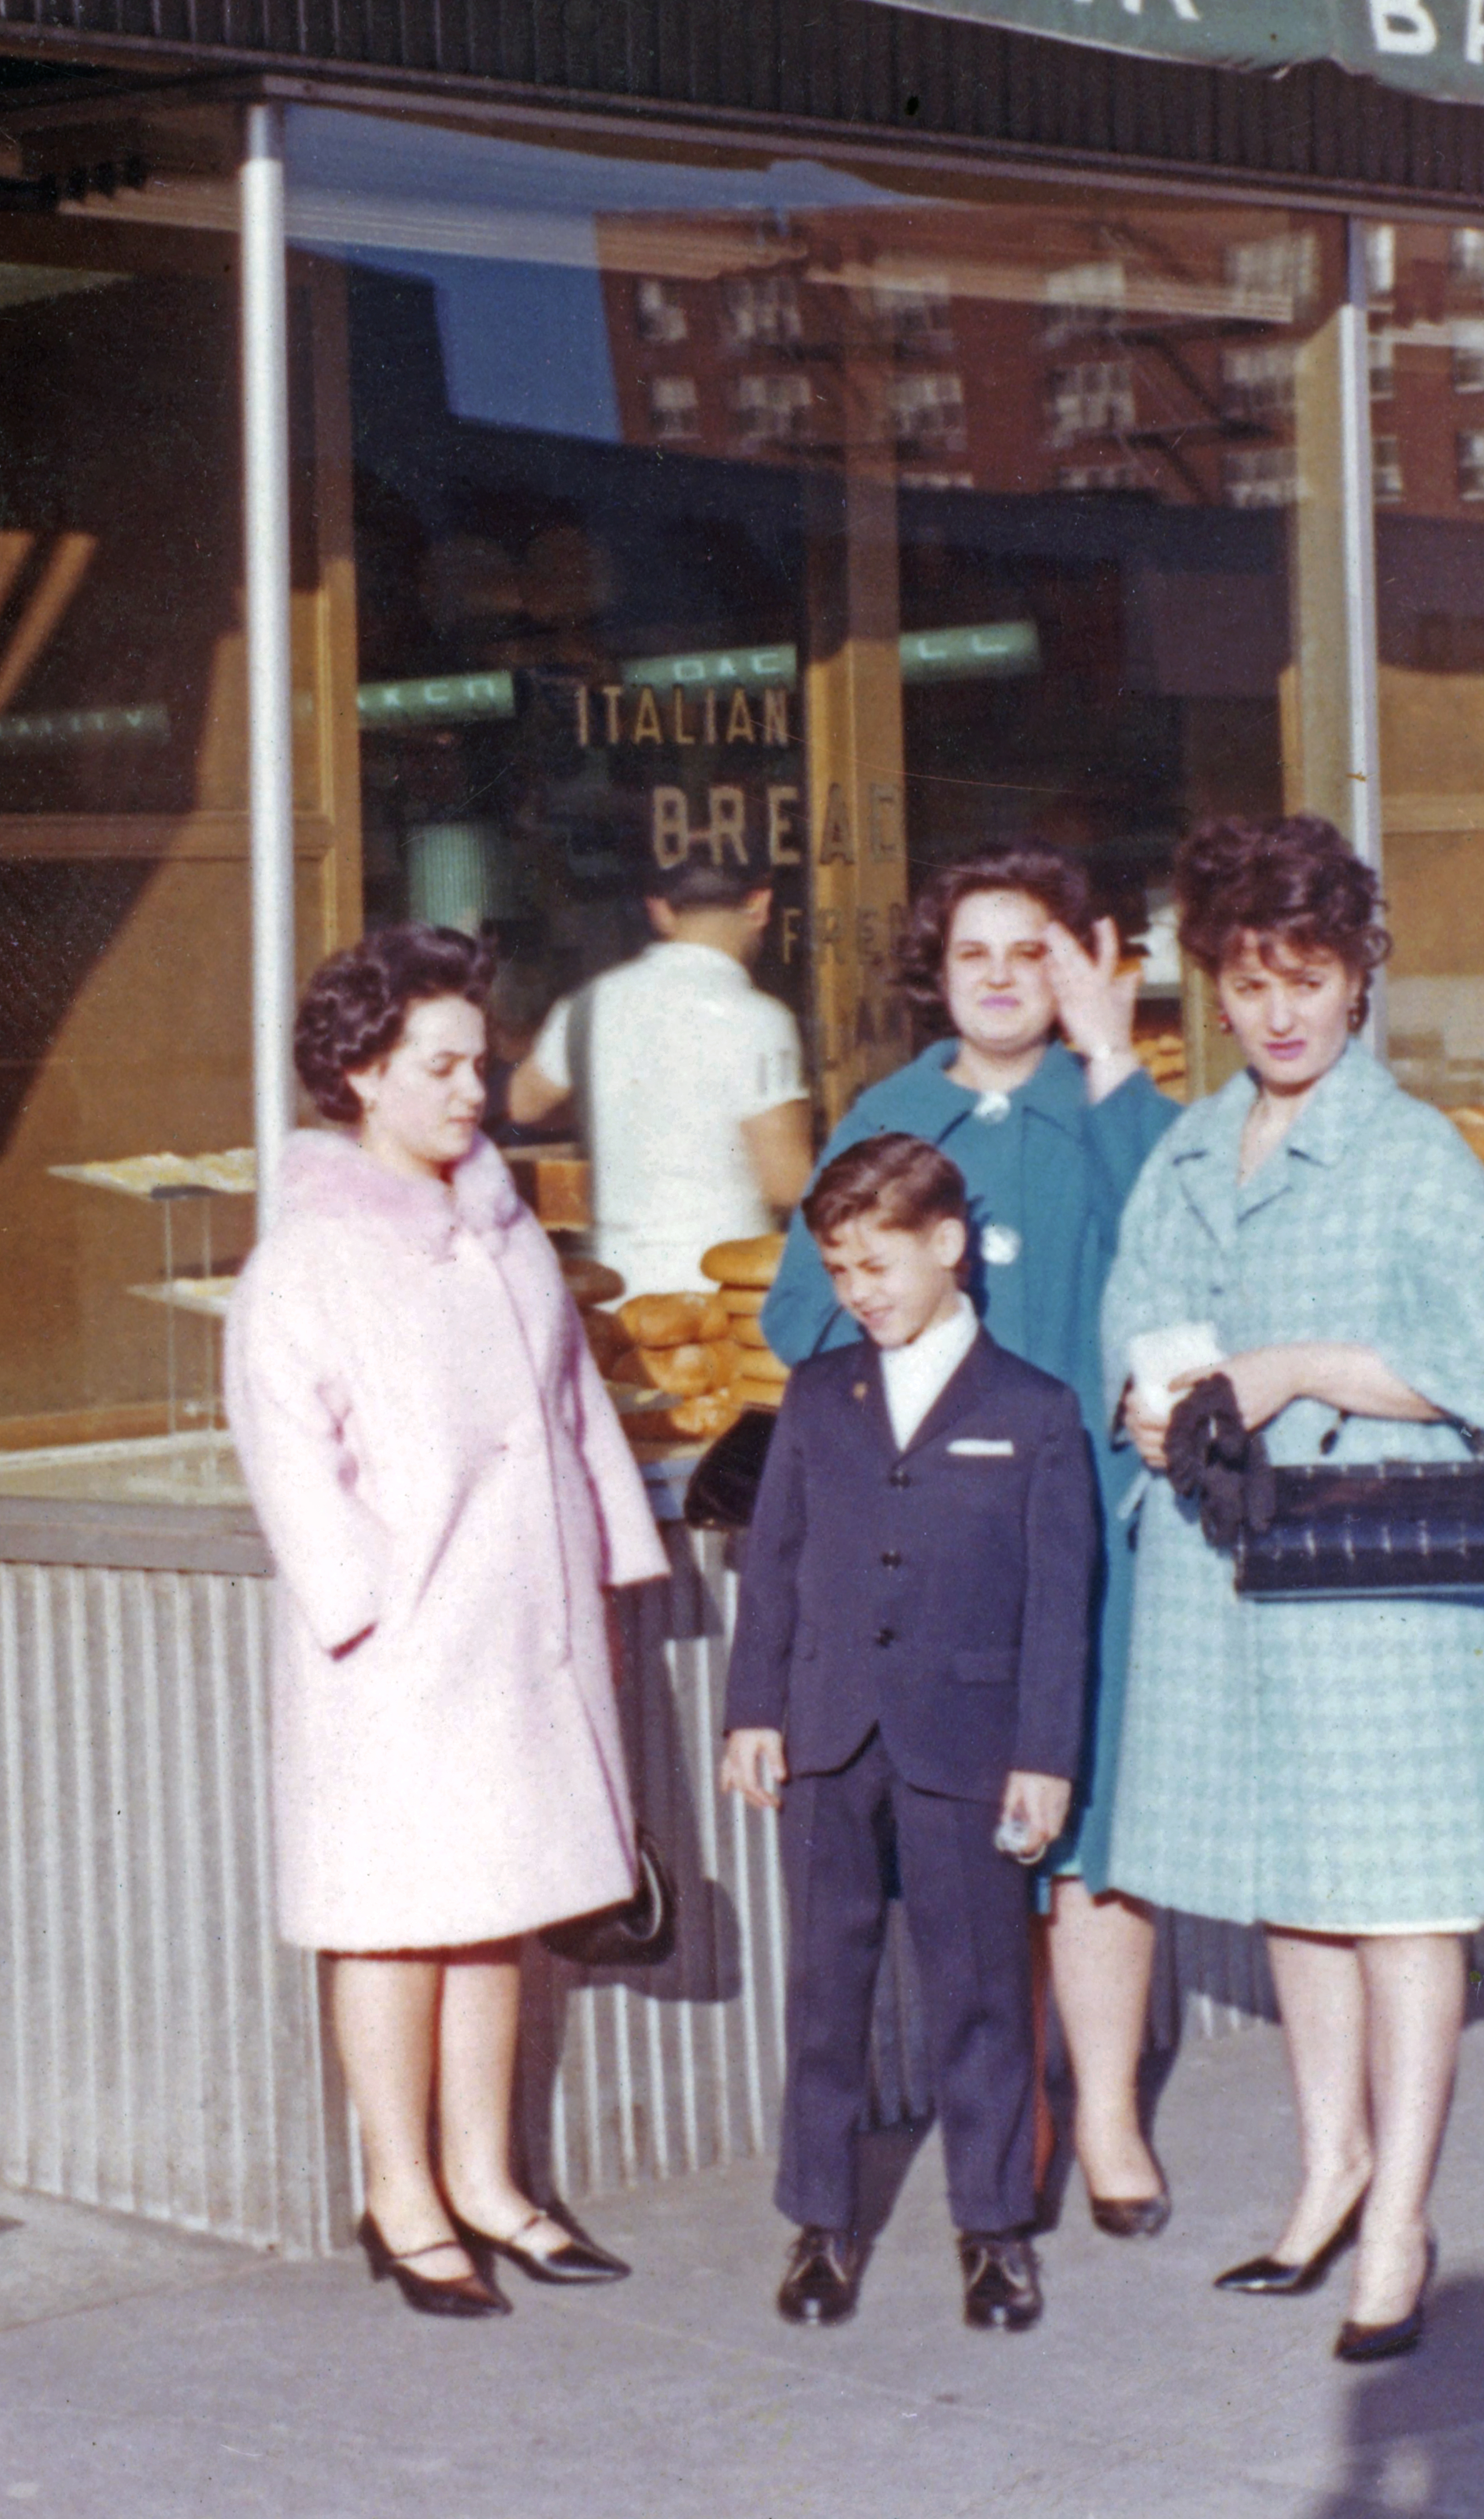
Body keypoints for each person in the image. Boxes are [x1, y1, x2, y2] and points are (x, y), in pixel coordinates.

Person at [1101, 813, 1484, 2364]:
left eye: (1308, 979)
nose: (1281, 1014)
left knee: (1399, 1901)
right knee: (1292, 1885)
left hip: (1379, 1585)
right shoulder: (1186, 1147)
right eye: (1250, 985)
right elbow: (1140, 1324)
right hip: (1229, 1571)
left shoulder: (1412, 1154)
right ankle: (1327, 2173)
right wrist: (1149, 1397)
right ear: (1214, 992)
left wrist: (1301, 1365)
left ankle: (1400, 2221)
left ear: (1360, 979)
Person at [226, 924, 672, 2318]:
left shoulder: (499, 1227)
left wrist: (602, 1561)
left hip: (522, 1629)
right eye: (441, 1067)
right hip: (402, 1649)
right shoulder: (307, 1258)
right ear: (359, 1073)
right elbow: (286, 1450)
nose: (474, 1092)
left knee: (502, 1910)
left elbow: (569, 1408)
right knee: (393, 1917)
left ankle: (489, 2182)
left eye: (477, 1064)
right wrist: (371, 1613)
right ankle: (398, 2193)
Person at [760, 848, 1178, 2236]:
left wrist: (1113, 1058)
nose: (1002, 978)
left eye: (1032, 952)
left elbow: (1182, 1262)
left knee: (1091, 1816)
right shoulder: (890, 1114)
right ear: (934, 976)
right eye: (972, 954)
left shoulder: (1112, 1106)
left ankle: (1105, 2120)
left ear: (1080, 964)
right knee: (949, 1819)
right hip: (925, 1545)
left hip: (1086, 1522)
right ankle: (1003, 2129)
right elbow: (796, 1313)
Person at [720, 1134, 1097, 2335]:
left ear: (947, 1247)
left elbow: (1057, 1606)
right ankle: (820, 2222)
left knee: (979, 1993)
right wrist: (751, 1711)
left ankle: (992, 2233)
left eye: (875, 1266)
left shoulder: (1032, 1411)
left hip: (966, 1742)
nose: (858, 1294)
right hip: (829, 1734)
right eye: (837, 1273)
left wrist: (1042, 1760)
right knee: (825, 1991)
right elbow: (769, 1568)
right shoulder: (815, 1401)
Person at [506, 852, 811, 1298]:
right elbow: (785, 1182)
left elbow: (523, 1104)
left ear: (659, 910)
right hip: (724, 1304)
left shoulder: (586, 1006)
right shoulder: (759, 1018)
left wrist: (618, 1105)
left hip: (615, 1292)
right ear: (760, 905)